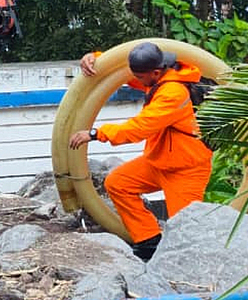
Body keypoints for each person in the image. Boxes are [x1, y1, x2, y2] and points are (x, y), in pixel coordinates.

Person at [71, 43, 213, 261]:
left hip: (186, 169)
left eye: (139, 75)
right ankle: (149, 241)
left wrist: (95, 133)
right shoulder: (160, 77)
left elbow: (140, 128)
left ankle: (195, 273)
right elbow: (126, 74)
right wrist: (96, 59)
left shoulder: (173, 92)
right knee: (118, 183)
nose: (134, 79)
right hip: (160, 161)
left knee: (186, 229)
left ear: (155, 72)